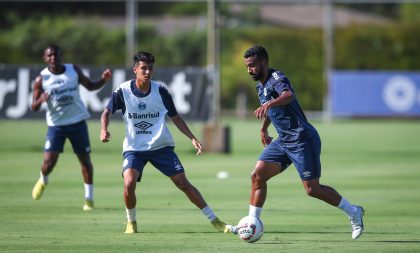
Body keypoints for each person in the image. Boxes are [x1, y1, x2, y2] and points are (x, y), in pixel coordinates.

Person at [224, 45, 365, 240]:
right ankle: (251, 222)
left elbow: (287, 96)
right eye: (247, 66)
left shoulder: (277, 78)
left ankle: (354, 211)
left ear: (264, 62)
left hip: (301, 139)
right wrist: (264, 128)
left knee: (312, 189)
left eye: (253, 65)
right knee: (257, 176)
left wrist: (268, 104)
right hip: (283, 141)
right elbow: (271, 110)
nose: (249, 70)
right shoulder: (261, 85)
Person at [100, 51, 226, 234]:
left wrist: (192, 138)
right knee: (129, 183)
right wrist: (104, 129)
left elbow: (176, 118)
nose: (147, 71)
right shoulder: (123, 91)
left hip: (161, 146)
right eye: (143, 68)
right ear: (135, 69)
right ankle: (131, 222)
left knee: (183, 183)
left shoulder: (160, 91)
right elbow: (106, 113)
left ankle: (215, 220)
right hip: (134, 148)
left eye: (150, 68)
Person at [31, 44, 112, 211]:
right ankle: (43, 179)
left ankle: (89, 199)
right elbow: (34, 107)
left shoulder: (73, 70)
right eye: (50, 55)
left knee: (85, 160)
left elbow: (90, 86)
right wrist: (41, 100)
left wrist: (103, 79)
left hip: (77, 123)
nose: (53, 58)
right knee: (49, 162)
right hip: (56, 126)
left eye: (56, 55)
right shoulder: (41, 79)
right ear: (45, 59)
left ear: (61, 56)